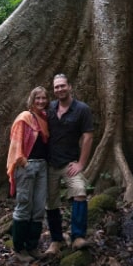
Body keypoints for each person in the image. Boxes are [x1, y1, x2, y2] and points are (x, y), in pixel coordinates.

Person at [43, 73, 94, 255]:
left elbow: (88, 137)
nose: (59, 89)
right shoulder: (49, 108)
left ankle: (78, 237)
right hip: (50, 164)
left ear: (69, 86)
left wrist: (81, 163)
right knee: (51, 202)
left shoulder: (82, 109)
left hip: (70, 163)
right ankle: (57, 240)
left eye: (62, 86)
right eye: (56, 87)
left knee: (80, 192)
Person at [5, 86, 50, 262]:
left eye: (44, 98)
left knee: (38, 207)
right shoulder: (24, 118)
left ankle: (32, 246)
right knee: (24, 206)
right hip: (27, 166)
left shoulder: (45, 119)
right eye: (37, 98)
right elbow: (15, 144)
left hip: (42, 167)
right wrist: (23, 162)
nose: (41, 101)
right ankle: (19, 248)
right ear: (31, 100)